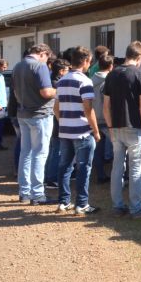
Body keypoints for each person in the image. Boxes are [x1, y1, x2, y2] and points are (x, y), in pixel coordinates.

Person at [103, 41, 141, 219]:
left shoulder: (112, 74)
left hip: (116, 128)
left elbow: (106, 106)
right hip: (134, 128)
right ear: (139, 57)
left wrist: (110, 127)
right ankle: (136, 208)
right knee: (135, 169)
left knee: (117, 168)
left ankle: (117, 205)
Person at [54, 46, 101, 215]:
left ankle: (63, 202)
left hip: (65, 130)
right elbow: (88, 108)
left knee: (65, 166)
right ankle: (81, 204)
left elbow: (56, 108)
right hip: (82, 131)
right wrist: (96, 130)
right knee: (83, 168)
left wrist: (64, 121)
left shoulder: (62, 80)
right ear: (86, 61)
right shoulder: (85, 81)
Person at [14, 43, 57, 205]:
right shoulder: (40, 66)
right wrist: (58, 90)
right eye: (47, 58)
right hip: (40, 114)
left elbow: (15, 91)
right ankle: (38, 194)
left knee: (25, 153)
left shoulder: (18, 66)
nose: (47, 61)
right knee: (39, 153)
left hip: (23, 113)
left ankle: (24, 192)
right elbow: (46, 92)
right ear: (43, 53)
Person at [44, 58, 71, 189]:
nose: (68, 72)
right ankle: (51, 178)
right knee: (57, 151)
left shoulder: (51, 81)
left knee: (54, 150)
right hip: (57, 121)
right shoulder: (58, 84)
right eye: (67, 70)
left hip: (55, 120)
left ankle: (49, 176)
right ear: (61, 71)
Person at [90, 53, 114, 184]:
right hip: (107, 118)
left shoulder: (90, 80)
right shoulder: (109, 81)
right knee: (117, 148)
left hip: (93, 118)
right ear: (111, 66)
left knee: (97, 149)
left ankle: (100, 174)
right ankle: (119, 174)